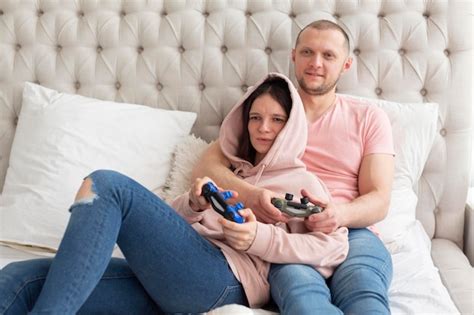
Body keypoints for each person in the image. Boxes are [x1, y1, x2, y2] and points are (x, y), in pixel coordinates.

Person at [0, 73, 348, 315]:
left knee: (107, 186)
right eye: (255, 118)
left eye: (276, 119)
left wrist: (259, 237)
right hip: (174, 279)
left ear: (293, 125)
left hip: (222, 279)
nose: (263, 128)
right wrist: (194, 205)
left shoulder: (304, 181)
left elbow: (333, 248)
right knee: (19, 279)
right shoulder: (232, 171)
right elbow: (171, 227)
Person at [192, 20, 395, 314]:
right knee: (300, 293)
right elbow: (207, 167)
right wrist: (250, 195)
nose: (315, 63)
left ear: (346, 64)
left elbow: (380, 197)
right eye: (307, 52)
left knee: (363, 291)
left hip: (352, 230)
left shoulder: (368, 118)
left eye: (328, 56)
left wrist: (338, 214)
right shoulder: (268, 108)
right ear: (293, 56)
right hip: (285, 234)